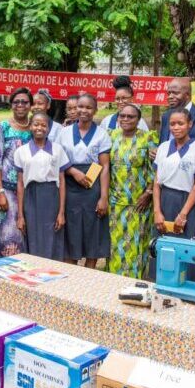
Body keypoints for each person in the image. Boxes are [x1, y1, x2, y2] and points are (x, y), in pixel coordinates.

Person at [159, 77, 195, 247]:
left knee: (187, 238)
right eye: (168, 92)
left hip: (190, 187)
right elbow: (164, 142)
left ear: (187, 94)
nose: (170, 96)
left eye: (175, 92)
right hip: (167, 185)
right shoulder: (166, 116)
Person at [151, 108, 195, 280]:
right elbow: (156, 182)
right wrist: (157, 211)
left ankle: (188, 287)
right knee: (164, 245)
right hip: (164, 200)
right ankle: (163, 284)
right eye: (172, 124)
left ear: (190, 124)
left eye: (180, 123)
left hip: (187, 204)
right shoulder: (163, 147)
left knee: (186, 248)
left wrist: (183, 214)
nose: (176, 127)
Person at [56, 94, 112, 269]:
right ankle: (70, 274)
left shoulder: (102, 135)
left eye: (88, 108)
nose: (83, 111)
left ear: (95, 110)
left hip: (92, 187)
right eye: (80, 106)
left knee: (92, 230)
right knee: (71, 229)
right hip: (69, 186)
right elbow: (57, 160)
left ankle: (90, 273)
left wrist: (103, 197)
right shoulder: (63, 133)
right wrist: (73, 172)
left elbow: (104, 167)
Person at [107, 104, 158, 278]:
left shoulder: (147, 138)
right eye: (122, 116)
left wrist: (148, 193)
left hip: (140, 202)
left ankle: (135, 283)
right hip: (115, 201)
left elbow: (155, 168)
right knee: (116, 246)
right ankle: (113, 282)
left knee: (136, 244)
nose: (126, 120)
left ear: (139, 119)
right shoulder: (110, 136)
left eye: (131, 117)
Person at [15, 113, 70, 259]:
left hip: (52, 196)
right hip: (31, 196)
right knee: (33, 236)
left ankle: (53, 275)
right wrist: (20, 215)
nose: (39, 128)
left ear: (49, 128)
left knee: (53, 235)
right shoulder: (21, 151)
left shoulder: (57, 150)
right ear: (30, 127)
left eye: (43, 125)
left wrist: (61, 212)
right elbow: (20, 183)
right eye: (36, 124)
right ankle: (35, 275)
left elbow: (62, 180)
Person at [0, 88, 33, 256]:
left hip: (31, 188)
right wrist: (0, 191)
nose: (21, 105)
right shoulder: (3, 127)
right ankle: (8, 275)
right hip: (9, 189)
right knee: (9, 233)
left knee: (30, 231)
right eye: (16, 102)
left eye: (25, 102)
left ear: (30, 105)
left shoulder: (37, 126)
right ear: (11, 105)